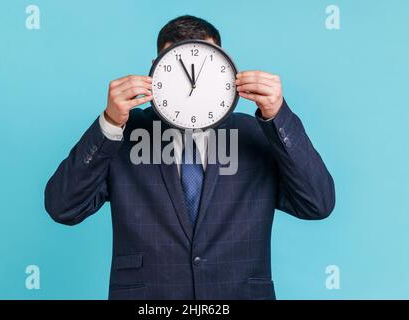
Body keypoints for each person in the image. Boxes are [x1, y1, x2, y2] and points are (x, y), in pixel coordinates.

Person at [45, 15, 335, 300]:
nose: (191, 87)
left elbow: (317, 203)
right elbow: (63, 207)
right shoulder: (124, 134)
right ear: (155, 73)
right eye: (175, 70)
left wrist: (278, 115)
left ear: (225, 71)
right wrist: (109, 123)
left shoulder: (257, 133)